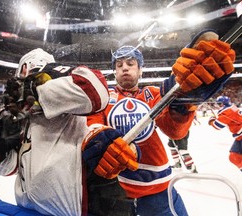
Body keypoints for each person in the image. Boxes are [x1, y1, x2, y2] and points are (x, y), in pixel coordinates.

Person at [82, 29, 236, 215]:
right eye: (119, 64)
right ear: (114, 72)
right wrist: (99, 143)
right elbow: (92, 124)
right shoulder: (105, 97)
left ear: (140, 71)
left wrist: (184, 98)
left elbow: (174, 130)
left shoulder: (153, 94)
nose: (124, 68)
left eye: (130, 64)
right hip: (116, 191)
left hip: (158, 189)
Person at [0, 48, 111, 215]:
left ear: (25, 69)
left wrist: (36, 90)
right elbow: (8, 169)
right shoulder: (23, 117)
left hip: (64, 210)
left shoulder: (63, 93)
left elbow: (98, 92)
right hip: (25, 209)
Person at [208, 96, 242, 172]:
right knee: (234, 156)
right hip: (239, 136)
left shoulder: (226, 112)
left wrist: (211, 121)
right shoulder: (231, 107)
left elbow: (217, 126)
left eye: (219, 103)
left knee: (235, 157)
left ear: (222, 104)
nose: (217, 105)